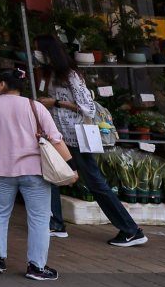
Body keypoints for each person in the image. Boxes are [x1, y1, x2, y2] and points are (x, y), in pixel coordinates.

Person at [38, 35, 145, 248]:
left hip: (77, 137)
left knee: (95, 183)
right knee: (50, 175)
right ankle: (56, 223)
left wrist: (56, 102)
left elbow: (88, 107)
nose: (37, 55)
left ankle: (130, 229)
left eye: (39, 50)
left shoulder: (71, 75)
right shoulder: (52, 74)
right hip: (60, 136)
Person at [0, 66, 77, 280]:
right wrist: (71, 168)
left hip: (0, 170)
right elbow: (55, 139)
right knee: (39, 218)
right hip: (34, 172)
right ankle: (36, 267)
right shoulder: (35, 106)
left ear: (2, 84)